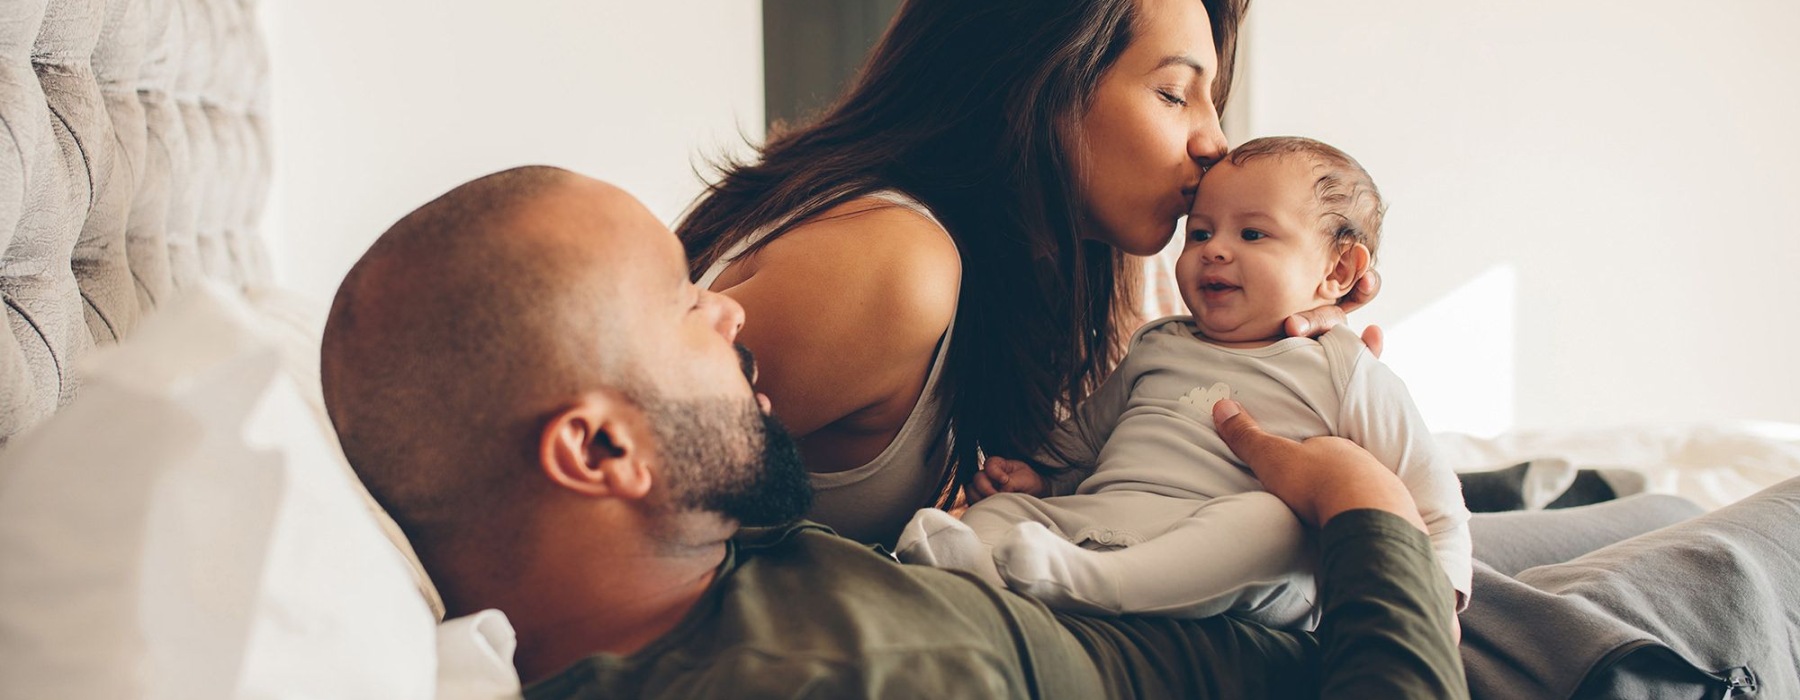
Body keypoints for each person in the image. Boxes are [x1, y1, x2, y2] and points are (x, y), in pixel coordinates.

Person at [320, 166, 1468, 698]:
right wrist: (1357, 501)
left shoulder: (702, 561)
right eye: (685, 303)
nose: (730, 308)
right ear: (599, 452)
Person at [673, 0, 1395, 548]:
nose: (1216, 142)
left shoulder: (1034, 271)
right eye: (1175, 93)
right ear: (1037, 82)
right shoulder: (893, 265)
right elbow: (607, 502)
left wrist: (1270, 346)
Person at [894, 137, 1470, 629]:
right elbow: (1086, 440)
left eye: (1252, 236)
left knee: (1271, 524)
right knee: (1007, 514)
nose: (1213, 249)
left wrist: (1436, 597)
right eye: (1198, 234)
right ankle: (974, 565)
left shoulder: (1342, 368)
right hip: (1106, 519)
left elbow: (1431, 496)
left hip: (1226, 556)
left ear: (1338, 271)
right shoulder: (1158, 341)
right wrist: (1036, 476)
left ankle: (1092, 583)